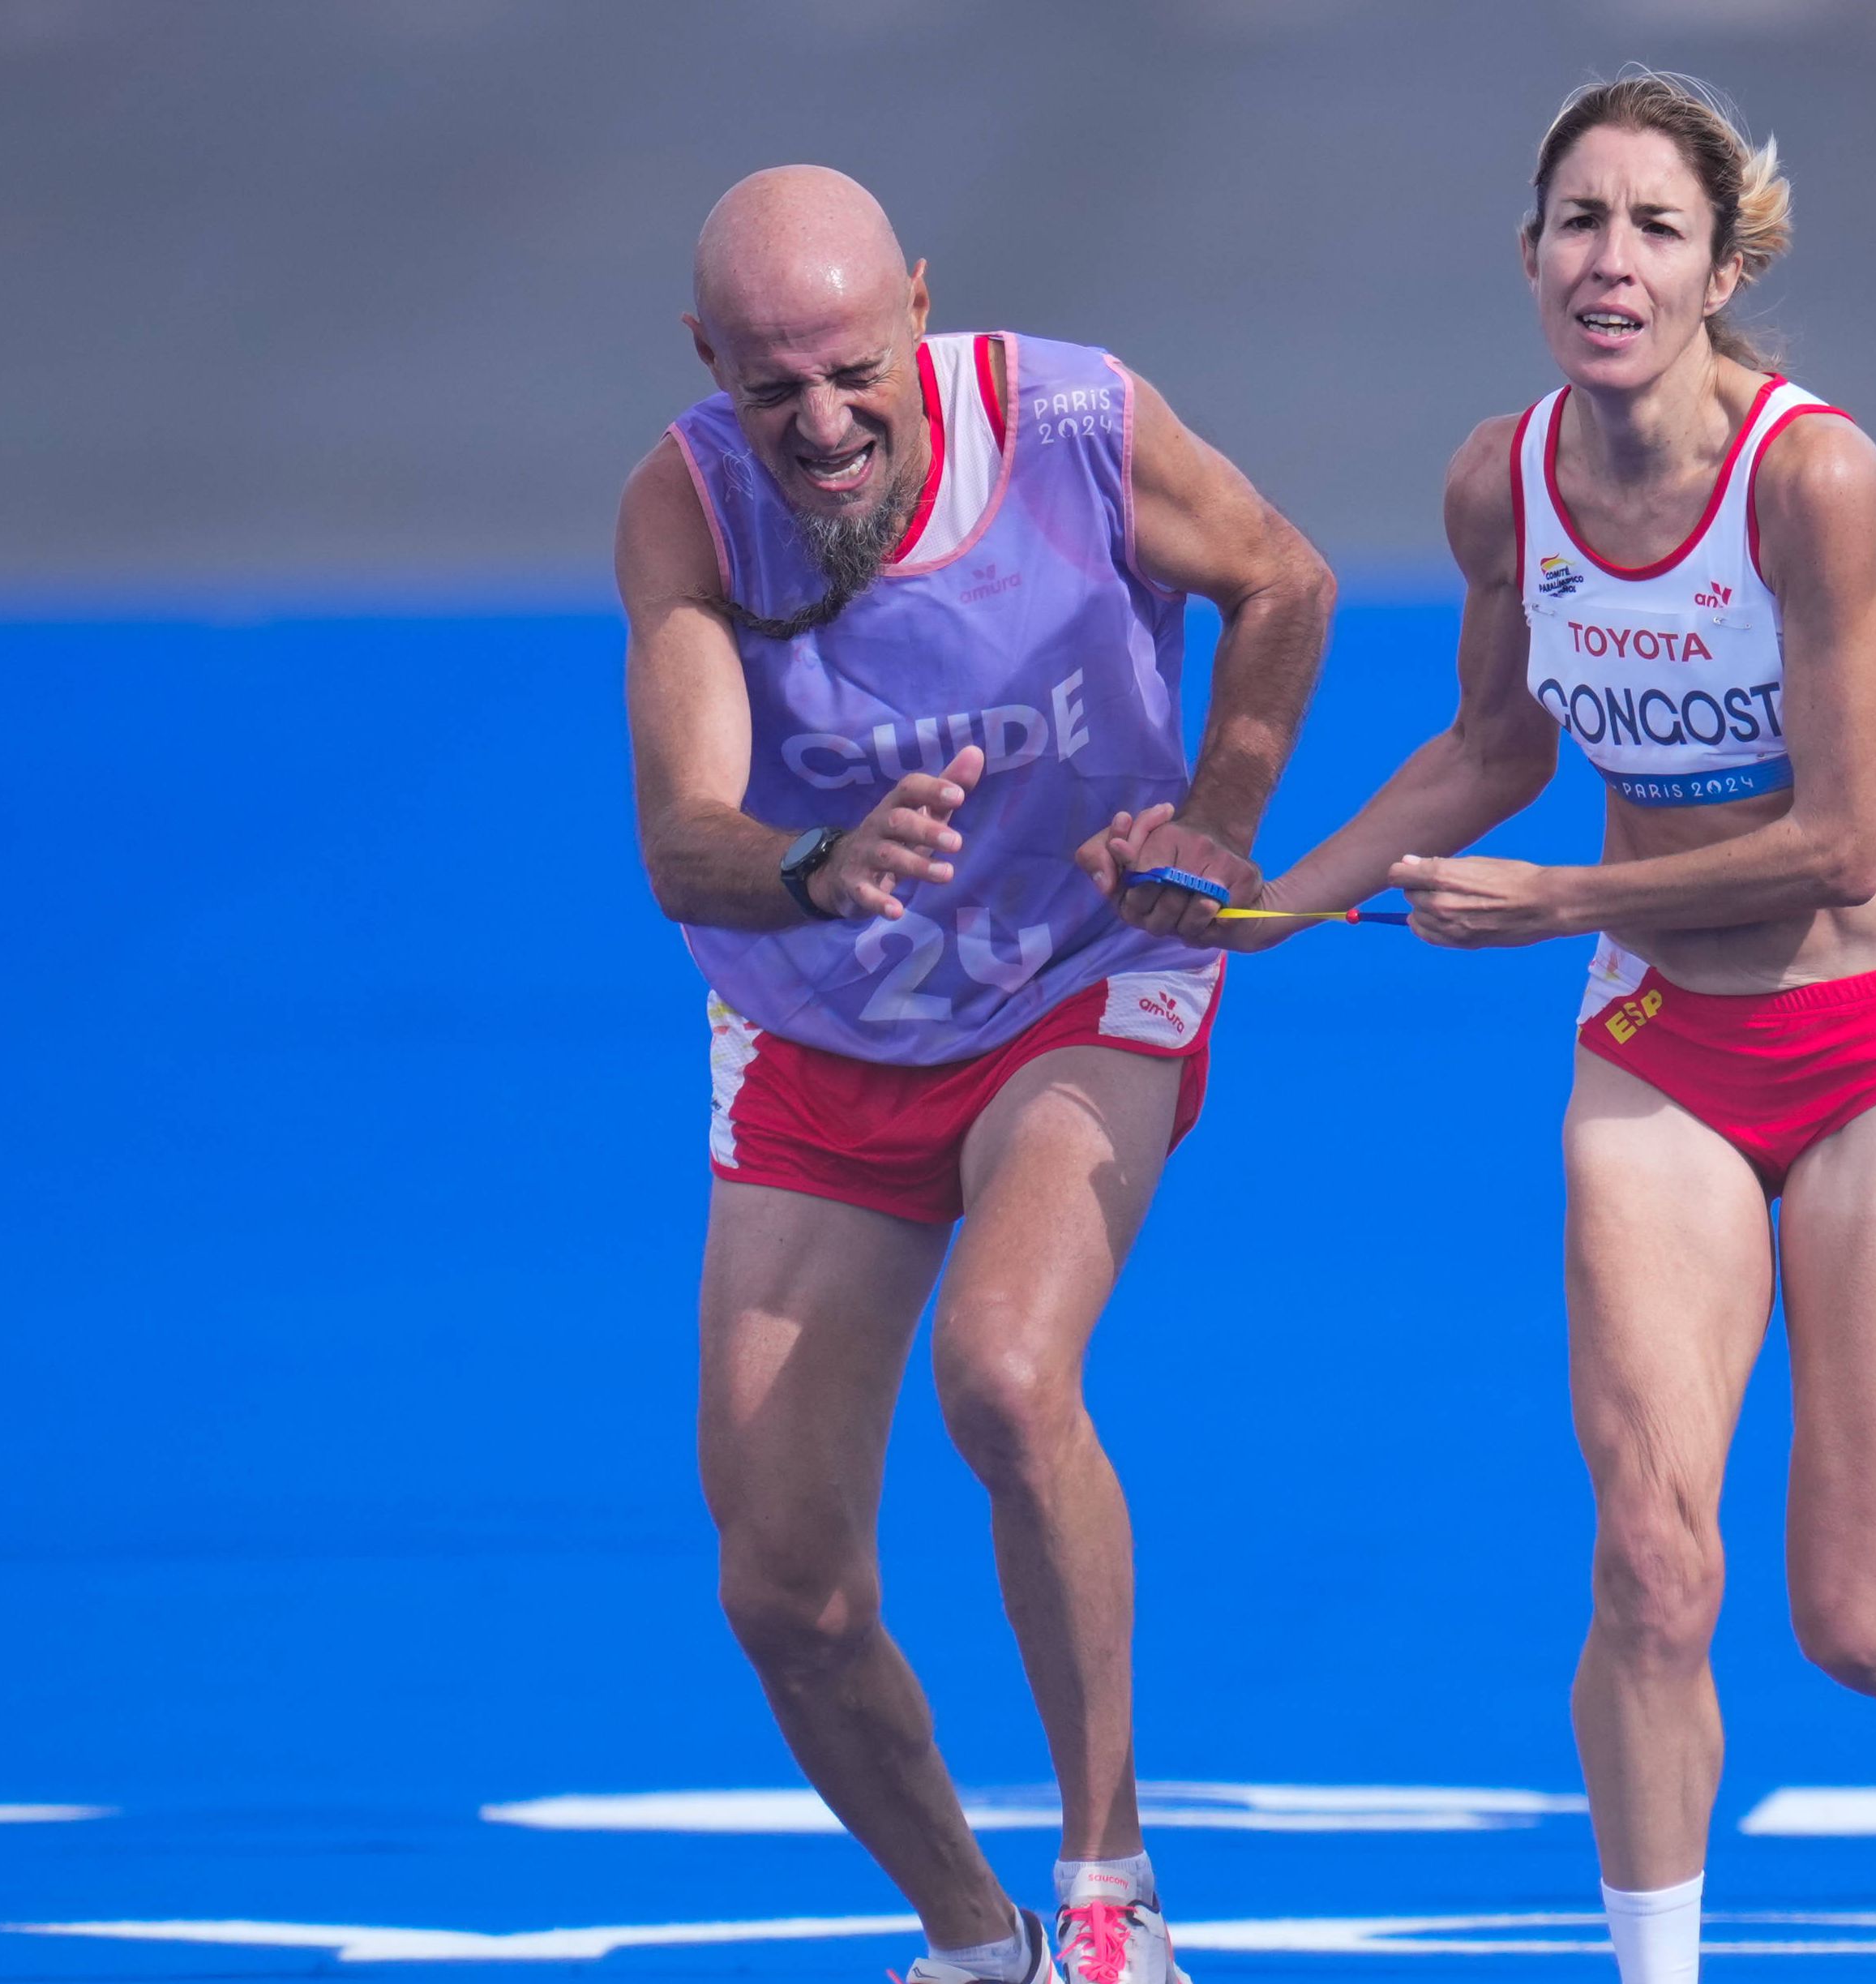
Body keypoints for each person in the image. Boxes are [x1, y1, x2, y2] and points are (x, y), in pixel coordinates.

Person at [1105, 73, 1876, 1984]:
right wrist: (1273, 902)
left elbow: (1832, 843)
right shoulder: (1504, 482)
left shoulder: (1814, 484)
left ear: (1722, 267)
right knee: (1648, 1562)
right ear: (1531, 253)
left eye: (1651, 227)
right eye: (1576, 221)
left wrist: (1556, 899)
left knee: (1849, 1609)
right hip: (1660, 1054)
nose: (1608, 260)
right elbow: (1496, 743)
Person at [621, 165, 1332, 1984]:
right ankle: (975, 1941)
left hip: (1083, 975)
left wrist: (1221, 821)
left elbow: (1279, 579)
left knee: (1007, 1379)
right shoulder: (688, 505)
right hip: (820, 1029)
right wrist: (812, 864)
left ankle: (1111, 1904)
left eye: (852, 368)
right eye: (772, 385)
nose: (823, 422)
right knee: (782, 1590)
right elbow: (685, 835)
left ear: (916, 309)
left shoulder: (1073, 425)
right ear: (710, 361)